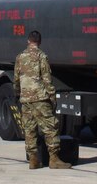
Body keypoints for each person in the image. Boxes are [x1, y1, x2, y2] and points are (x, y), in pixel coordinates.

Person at [13, 30, 69, 170]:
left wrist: (18, 94)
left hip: (26, 99)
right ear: (39, 42)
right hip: (40, 98)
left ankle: (33, 160)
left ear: (28, 41)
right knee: (50, 128)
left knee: (29, 129)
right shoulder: (41, 56)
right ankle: (54, 159)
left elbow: (16, 79)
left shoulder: (20, 57)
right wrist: (52, 96)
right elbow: (47, 79)